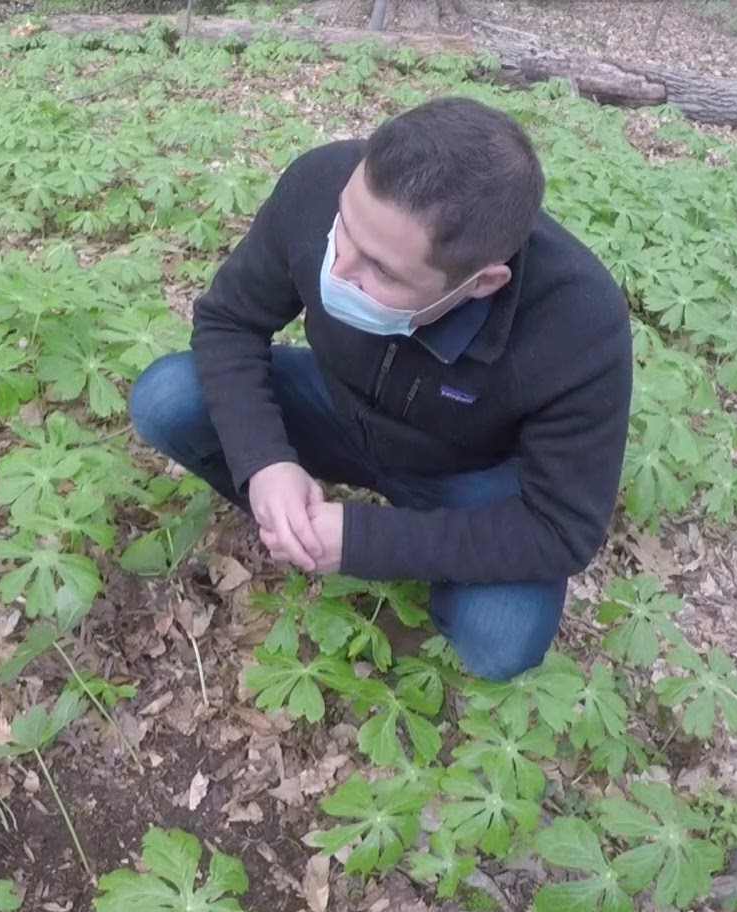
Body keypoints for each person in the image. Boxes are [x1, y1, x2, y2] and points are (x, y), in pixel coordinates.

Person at [128, 96, 633, 681]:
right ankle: (290, 520)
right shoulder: (320, 182)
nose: (338, 267)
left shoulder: (579, 323)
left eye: (383, 271)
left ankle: (402, 576)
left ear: (481, 283)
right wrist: (263, 460)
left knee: (500, 637)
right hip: (335, 404)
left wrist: (365, 539)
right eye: (345, 224)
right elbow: (229, 321)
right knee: (168, 397)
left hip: (465, 470)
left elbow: (560, 527)